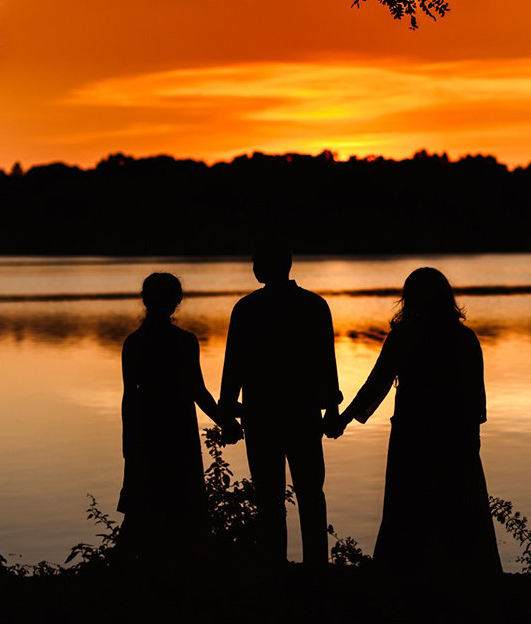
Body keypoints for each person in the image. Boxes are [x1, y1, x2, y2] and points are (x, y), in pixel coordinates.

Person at [328, 267, 500, 574]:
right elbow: (475, 398)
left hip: (414, 434)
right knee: (458, 505)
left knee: (408, 506)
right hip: (454, 435)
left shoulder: (404, 337)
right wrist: (471, 440)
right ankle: (465, 575)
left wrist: (342, 420)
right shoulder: (464, 338)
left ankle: (404, 575)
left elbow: (375, 384)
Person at [218, 237, 341, 567]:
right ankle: (317, 565)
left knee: (269, 496)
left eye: (256, 261)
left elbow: (234, 366)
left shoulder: (247, 308)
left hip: (261, 416)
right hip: (302, 413)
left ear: (266, 265)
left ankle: (275, 565)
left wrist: (228, 411)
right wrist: (331, 408)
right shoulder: (314, 305)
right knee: (311, 492)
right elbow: (326, 364)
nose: (254, 267)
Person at [119, 272, 242, 565]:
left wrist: (128, 442)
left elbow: (129, 398)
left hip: (146, 431)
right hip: (178, 432)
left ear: (146, 300)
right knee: (183, 505)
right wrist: (225, 421)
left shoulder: (134, 343)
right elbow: (198, 391)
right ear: (177, 303)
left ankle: (132, 571)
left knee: (142, 506)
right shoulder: (185, 342)